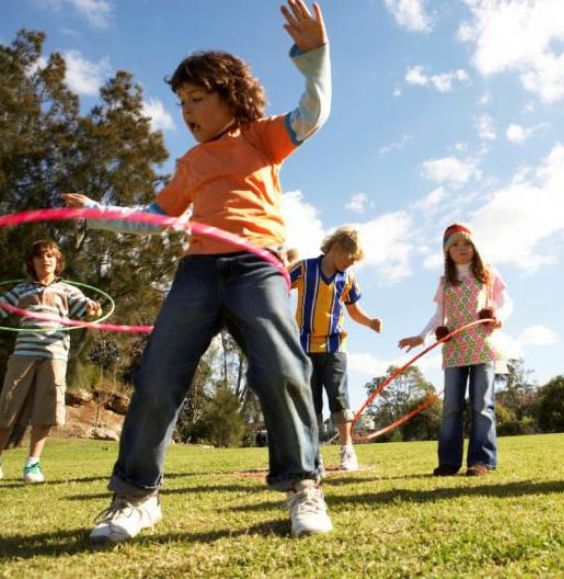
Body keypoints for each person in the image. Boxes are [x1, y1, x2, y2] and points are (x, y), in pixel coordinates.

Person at [62, 0, 333, 541]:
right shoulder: (189, 164)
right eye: (181, 101)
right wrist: (100, 213)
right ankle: (135, 497)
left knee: (281, 368)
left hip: (257, 265)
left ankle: (304, 486)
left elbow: (313, 113)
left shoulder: (260, 136)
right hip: (197, 271)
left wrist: (314, 56)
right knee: (158, 376)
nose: (186, 111)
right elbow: (153, 220)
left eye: (197, 98)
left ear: (229, 96)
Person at [398, 223, 511, 477]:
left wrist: (498, 316)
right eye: (455, 245)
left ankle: (481, 461)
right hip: (455, 349)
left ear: (475, 247)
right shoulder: (445, 282)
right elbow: (439, 315)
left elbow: (506, 302)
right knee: (451, 407)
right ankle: (449, 462)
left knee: (482, 404)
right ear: (446, 252)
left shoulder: (488, 274)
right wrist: (422, 336)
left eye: (467, 243)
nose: (462, 249)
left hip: (483, 345)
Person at [0, 240, 101, 483]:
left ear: (58, 263)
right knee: (7, 405)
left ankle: (32, 465)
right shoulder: (21, 290)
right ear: (31, 263)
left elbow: (87, 310)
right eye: (40, 256)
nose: (45, 260)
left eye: (50, 256)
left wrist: (93, 310)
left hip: (55, 354)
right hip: (23, 354)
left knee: (46, 407)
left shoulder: (67, 290)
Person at [290, 226, 382, 471]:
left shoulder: (347, 279)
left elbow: (353, 311)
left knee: (339, 397)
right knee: (310, 401)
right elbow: (278, 284)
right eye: (350, 259)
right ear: (337, 248)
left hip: (334, 346)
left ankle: (347, 450)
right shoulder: (304, 268)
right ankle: (311, 454)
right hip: (304, 346)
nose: (351, 265)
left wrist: (370, 321)